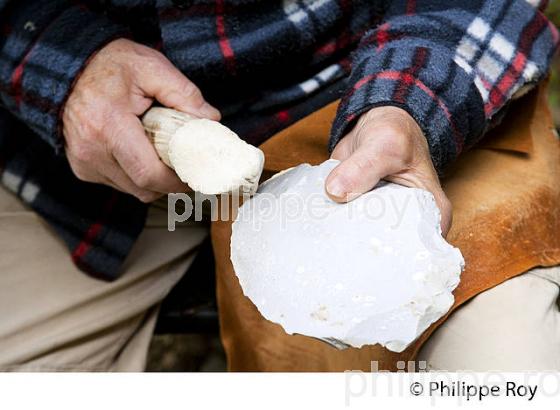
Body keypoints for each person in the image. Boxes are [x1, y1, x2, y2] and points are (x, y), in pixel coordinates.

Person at [0, 0, 558, 371]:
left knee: (503, 371)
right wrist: (59, 67)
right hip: (83, 138)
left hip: (368, 97)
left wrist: (407, 107)